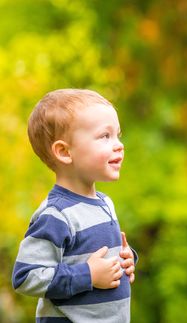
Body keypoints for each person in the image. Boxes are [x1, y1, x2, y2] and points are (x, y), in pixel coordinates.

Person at [12, 89, 137, 322]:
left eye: (118, 135)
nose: (119, 145)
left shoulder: (104, 203)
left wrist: (126, 259)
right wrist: (87, 274)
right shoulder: (56, 215)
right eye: (104, 136)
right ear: (64, 152)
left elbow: (93, 257)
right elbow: (26, 276)